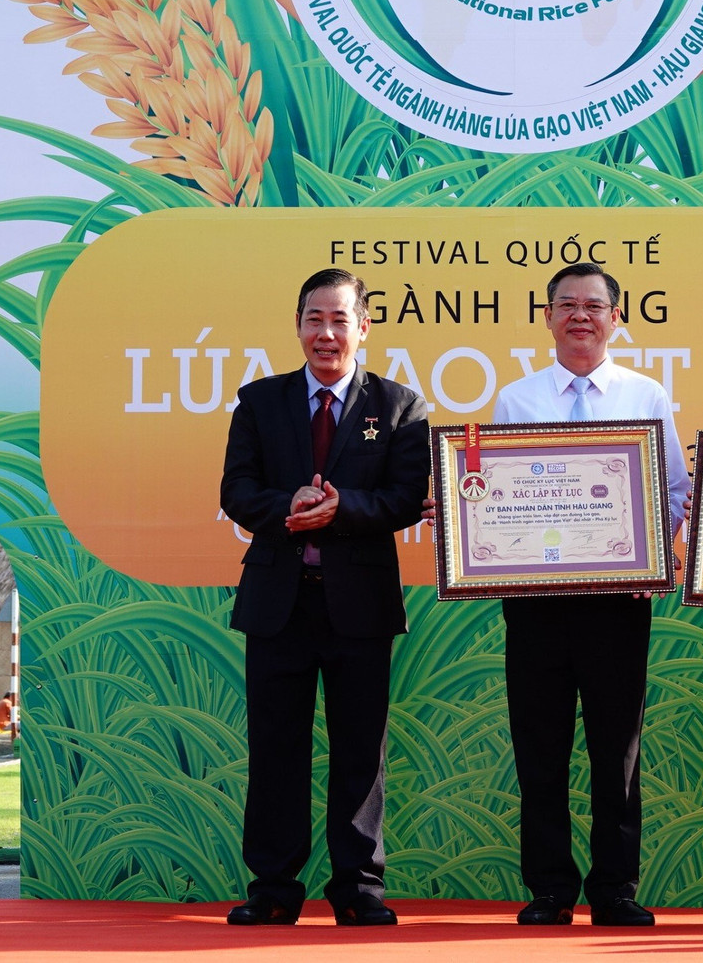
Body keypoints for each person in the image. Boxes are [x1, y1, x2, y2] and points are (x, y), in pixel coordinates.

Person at [220, 268, 430, 927]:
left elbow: (405, 498)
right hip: (279, 603)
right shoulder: (260, 402)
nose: (327, 333)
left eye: (341, 320)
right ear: (298, 325)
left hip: (359, 605)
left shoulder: (400, 407)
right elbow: (237, 491)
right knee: (276, 748)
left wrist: (338, 510)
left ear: (364, 328)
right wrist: (291, 506)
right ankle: (274, 888)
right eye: (315, 318)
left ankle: (359, 886)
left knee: (360, 752)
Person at [492, 262, 689, 927]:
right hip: (537, 603)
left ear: (617, 319)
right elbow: (496, 491)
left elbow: (674, 492)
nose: (581, 315)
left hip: (617, 603)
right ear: (547, 318)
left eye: (594, 305)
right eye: (567, 305)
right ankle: (550, 888)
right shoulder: (517, 401)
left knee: (618, 751)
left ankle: (615, 888)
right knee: (540, 748)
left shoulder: (646, 395)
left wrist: (651, 555)